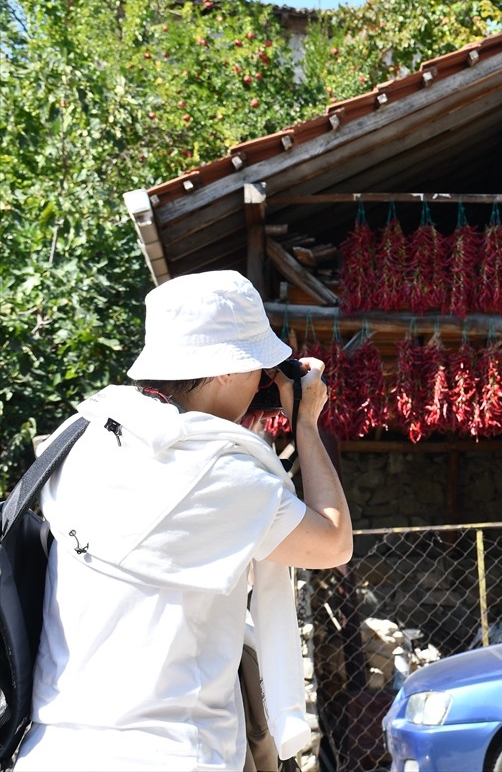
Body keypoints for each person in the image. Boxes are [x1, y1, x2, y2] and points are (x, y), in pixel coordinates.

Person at [14, 270, 353, 771]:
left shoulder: (81, 435)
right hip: (174, 752)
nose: (262, 379)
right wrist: (305, 422)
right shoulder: (220, 474)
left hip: (53, 749)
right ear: (226, 370)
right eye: (258, 366)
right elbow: (333, 542)